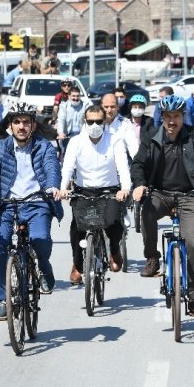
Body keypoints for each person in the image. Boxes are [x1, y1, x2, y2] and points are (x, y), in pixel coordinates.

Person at [131, 95, 194, 320]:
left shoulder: (193, 136)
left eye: (177, 116)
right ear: (162, 117)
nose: (172, 121)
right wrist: (140, 185)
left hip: (188, 195)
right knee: (147, 212)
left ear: (183, 117)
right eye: (168, 116)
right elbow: (139, 163)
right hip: (160, 194)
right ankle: (152, 257)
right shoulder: (152, 136)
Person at [0, 103, 63, 320]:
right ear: (10, 125)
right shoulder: (0, 147)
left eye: (26, 122)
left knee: (40, 238)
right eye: (17, 122)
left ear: (33, 125)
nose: (21, 126)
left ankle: (44, 269)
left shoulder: (44, 146)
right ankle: (4, 298)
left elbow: (51, 168)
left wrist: (52, 187)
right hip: (6, 204)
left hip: (37, 202)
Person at [60, 104, 131, 284]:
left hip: (110, 190)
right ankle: (77, 265)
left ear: (104, 122)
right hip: (84, 191)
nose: (94, 125)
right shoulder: (76, 142)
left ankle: (114, 251)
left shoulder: (115, 140)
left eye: (98, 121)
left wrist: (125, 188)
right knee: (77, 229)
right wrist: (63, 188)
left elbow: (123, 167)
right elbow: (68, 167)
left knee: (114, 223)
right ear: (85, 122)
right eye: (90, 121)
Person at [101, 93, 139, 158]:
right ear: (101, 106)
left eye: (112, 107)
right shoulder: (94, 121)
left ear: (118, 107)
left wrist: (137, 164)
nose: (109, 110)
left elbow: (133, 146)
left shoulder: (126, 123)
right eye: (106, 107)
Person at [56, 86, 85, 151]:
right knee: (66, 156)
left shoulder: (85, 105)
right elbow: (61, 119)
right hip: (68, 136)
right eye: (73, 96)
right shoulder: (64, 106)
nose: (76, 98)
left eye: (77, 96)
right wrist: (60, 133)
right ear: (69, 96)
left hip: (81, 136)